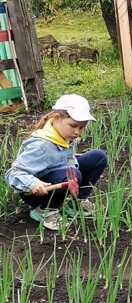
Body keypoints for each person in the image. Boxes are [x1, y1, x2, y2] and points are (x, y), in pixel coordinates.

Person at [5, 95, 107, 230]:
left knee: (98, 157)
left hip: (61, 176)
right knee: (73, 174)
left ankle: (76, 203)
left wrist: (75, 162)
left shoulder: (65, 136)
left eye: (81, 127)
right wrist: (32, 183)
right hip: (39, 192)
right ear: (57, 118)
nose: (77, 132)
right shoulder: (41, 145)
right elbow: (13, 173)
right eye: (73, 126)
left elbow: (68, 159)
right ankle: (46, 210)